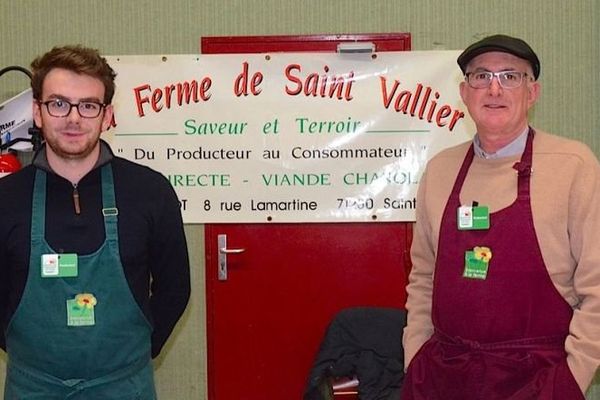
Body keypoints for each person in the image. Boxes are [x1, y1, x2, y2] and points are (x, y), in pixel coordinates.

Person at [401, 34, 600, 399]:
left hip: (539, 381)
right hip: (442, 377)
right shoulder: (440, 170)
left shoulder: (574, 166)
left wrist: (572, 377)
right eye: (481, 76)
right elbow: (422, 276)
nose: (494, 89)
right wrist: (416, 355)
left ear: (532, 92)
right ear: (464, 93)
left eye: (510, 76)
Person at [0, 45, 191, 399]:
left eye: (88, 105)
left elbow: (175, 289)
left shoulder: (150, 191)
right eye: (58, 103)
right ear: (37, 113)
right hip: (32, 388)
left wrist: (132, 356)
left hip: (124, 387)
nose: (73, 118)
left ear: (106, 116)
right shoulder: (6, 200)